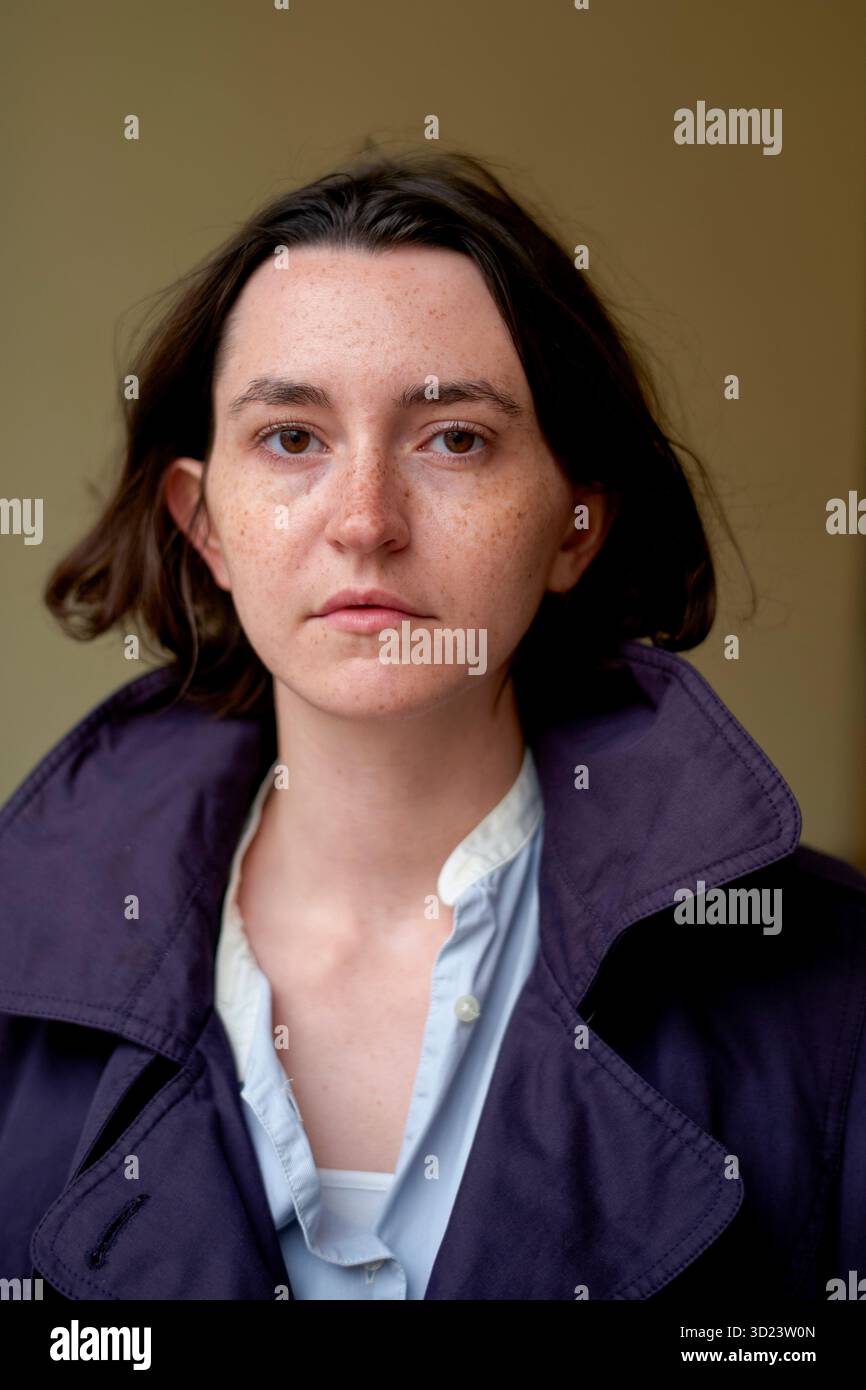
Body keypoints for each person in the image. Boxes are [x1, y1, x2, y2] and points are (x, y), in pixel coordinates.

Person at [0, 149, 864, 1303]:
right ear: (203, 524)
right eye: (292, 438)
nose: (364, 523)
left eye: (452, 436)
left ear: (572, 524)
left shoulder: (831, 986)